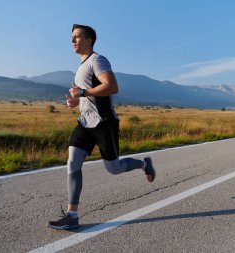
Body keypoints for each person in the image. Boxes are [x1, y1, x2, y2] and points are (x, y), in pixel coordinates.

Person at [47, 24, 156, 230]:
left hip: (104, 123)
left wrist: (83, 93)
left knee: (114, 169)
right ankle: (72, 215)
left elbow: (112, 87)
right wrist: (76, 102)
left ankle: (144, 164)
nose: (72, 40)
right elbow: (87, 95)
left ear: (89, 40)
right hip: (85, 123)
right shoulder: (80, 68)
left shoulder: (98, 60)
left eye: (77, 37)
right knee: (72, 163)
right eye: (72, 37)